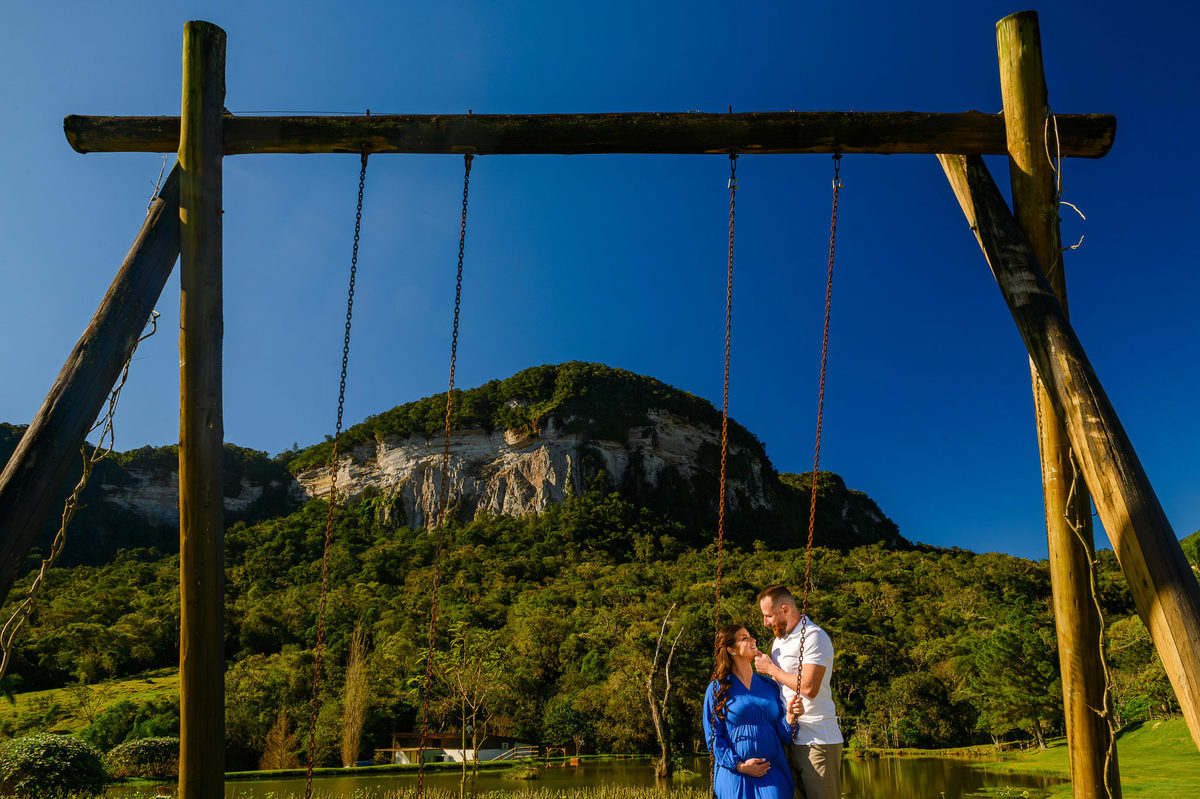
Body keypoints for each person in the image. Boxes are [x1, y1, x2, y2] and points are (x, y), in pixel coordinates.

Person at [753, 585, 843, 799]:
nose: (765, 622)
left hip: (817, 740)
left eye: (768, 615)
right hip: (788, 739)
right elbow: (781, 685)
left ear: (785, 609)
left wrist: (771, 669)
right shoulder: (778, 642)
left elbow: (810, 688)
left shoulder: (814, 636)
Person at [703, 623, 796, 799]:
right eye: (744, 638)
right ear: (731, 650)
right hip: (735, 773)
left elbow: (782, 735)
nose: (753, 640)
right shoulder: (717, 689)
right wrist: (739, 765)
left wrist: (790, 718)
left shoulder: (769, 686)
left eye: (751, 636)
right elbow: (714, 737)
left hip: (770, 770)